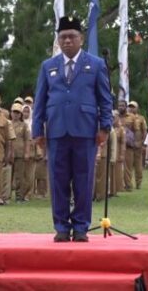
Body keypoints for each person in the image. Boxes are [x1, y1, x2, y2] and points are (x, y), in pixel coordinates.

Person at [32, 15, 113, 243]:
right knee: (58, 181)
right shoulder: (48, 66)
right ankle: (61, 226)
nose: (67, 41)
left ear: (81, 38)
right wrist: (37, 130)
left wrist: (105, 127)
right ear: (58, 40)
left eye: (72, 36)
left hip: (86, 132)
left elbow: (105, 99)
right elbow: (40, 100)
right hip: (56, 132)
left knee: (83, 181)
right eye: (63, 37)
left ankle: (80, 227)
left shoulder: (95, 64)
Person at [10, 103, 31, 203]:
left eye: (18, 112)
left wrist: (27, 152)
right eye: (14, 112)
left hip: (20, 153)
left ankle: (19, 196)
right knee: (7, 175)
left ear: (20, 114)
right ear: (11, 112)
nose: (16, 114)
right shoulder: (7, 124)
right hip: (8, 153)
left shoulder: (24, 125)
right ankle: (6, 195)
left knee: (19, 176)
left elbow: (27, 140)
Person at [126, 101, 148, 189]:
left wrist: (143, 143)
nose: (131, 108)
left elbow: (145, 131)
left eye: (133, 107)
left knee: (138, 165)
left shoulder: (141, 118)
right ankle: (128, 184)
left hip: (138, 145)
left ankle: (138, 183)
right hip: (128, 145)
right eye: (130, 107)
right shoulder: (125, 117)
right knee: (128, 165)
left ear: (137, 108)